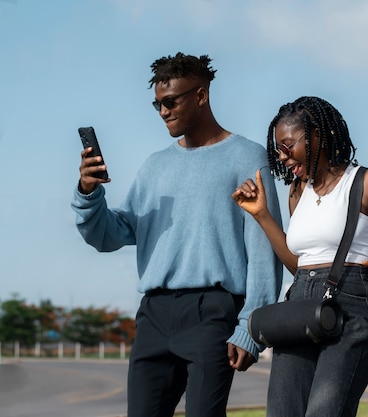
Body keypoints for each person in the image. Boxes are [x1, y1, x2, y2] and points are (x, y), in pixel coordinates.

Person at [71, 52, 282, 417]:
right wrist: (88, 193)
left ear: (200, 96)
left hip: (213, 313)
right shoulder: (154, 167)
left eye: (170, 102)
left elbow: (264, 253)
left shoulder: (247, 157)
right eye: (157, 105)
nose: (163, 111)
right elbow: (110, 235)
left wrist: (250, 326)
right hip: (154, 314)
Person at [232, 95, 368, 416]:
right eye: (277, 149)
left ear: (317, 136)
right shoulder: (297, 192)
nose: (282, 157)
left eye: (288, 145)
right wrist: (262, 215)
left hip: (351, 307)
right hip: (299, 308)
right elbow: (300, 265)